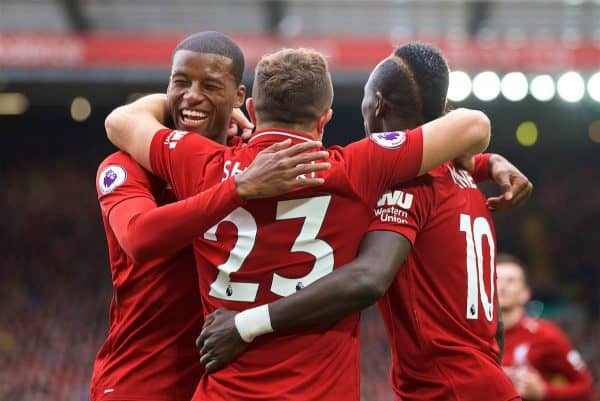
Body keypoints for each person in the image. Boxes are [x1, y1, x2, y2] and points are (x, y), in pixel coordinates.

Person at [105, 47, 491, 401]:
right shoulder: (356, 168)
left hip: (225, 391)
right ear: (324, 119)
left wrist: (175, 98)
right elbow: (474, 126)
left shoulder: (200, 163)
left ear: (252, 110)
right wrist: (478, 160)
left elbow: (121, 121)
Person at [198, 43, 529, 401]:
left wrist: (245, 325)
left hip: (446, 389)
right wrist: (487, 161)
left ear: (378, 105)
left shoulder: (405, 184)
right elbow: (494, 326)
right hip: (483, 382)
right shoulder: (466, 180)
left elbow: (368, 278)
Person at [91, 32, 330, 401]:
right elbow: (140, 238)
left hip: (225, 385)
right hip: (140, 381)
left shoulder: (253, 160)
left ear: (240, 98)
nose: (191, 96)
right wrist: (237, 189)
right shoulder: (126, 165)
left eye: (210, 85)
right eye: (180, 83)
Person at [497, 253, 595, 401]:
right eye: (496, 280)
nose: (502, 286)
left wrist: (544, 392)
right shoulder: (474, 335)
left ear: (525, 293)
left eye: (511, 281)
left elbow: (586, 389)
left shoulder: (546, 334)